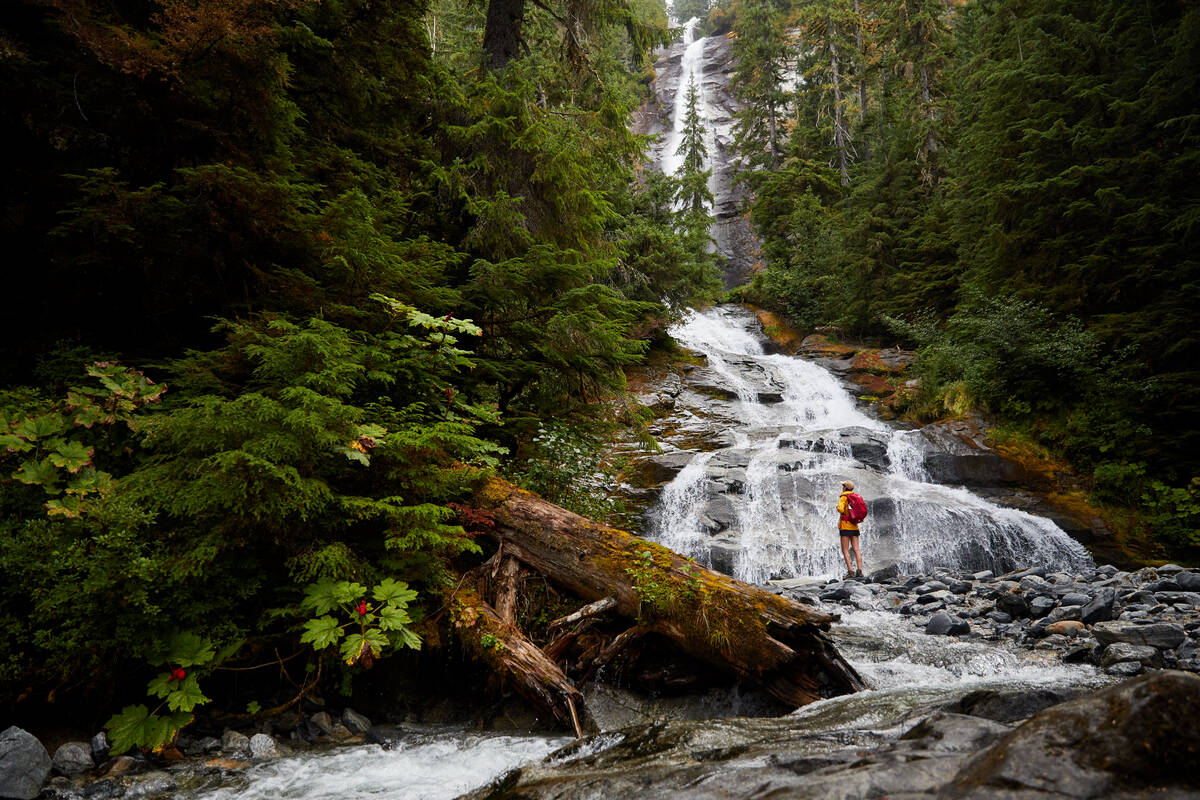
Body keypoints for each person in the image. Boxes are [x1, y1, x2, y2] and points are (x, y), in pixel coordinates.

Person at [837, 480, 864, 579]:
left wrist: (840, 508)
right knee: (857, 549)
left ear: (845, 487)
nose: (842, 487)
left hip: (845, 526)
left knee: (845, 550)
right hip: (854, 526)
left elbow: (840, 509)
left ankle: (851, 571)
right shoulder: (855, 497)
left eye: (843, 485)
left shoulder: (843, 497)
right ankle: (860, 570)